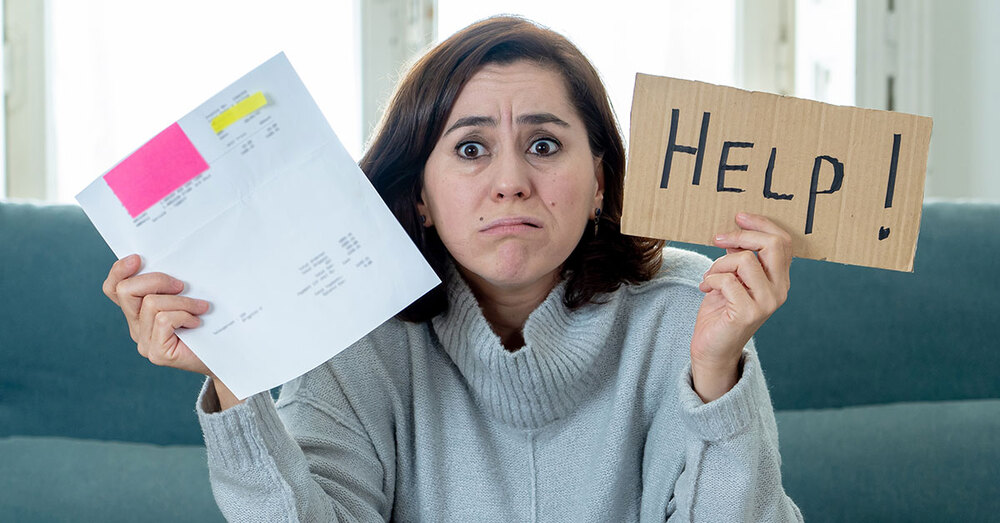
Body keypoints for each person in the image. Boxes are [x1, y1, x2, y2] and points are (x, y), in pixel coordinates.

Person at [102, 16, 803, 522]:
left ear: (598, 180)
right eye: (470, 149)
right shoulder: (358, 329)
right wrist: (234, 369)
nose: (510, 181)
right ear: (420, 196)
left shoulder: (690, 306)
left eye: (545, 143)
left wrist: (717, 375)